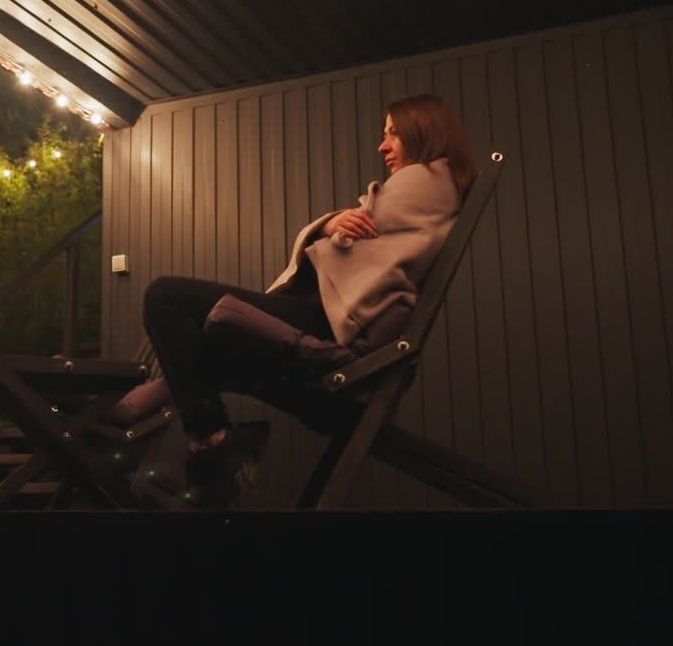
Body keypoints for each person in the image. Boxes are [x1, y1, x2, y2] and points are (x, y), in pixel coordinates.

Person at [139, 93, 476, 509]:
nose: (383, 146)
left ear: (422, 131)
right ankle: (211, 442)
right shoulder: (438, 186)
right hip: (333, 320)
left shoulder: (425, 177)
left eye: (392, 134)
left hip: (330, 323)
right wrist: (329, 223)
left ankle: (211, 441)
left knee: (166, 296)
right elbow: (350, 234)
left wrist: (327, 225)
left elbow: (347, 238)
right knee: (198, 347)